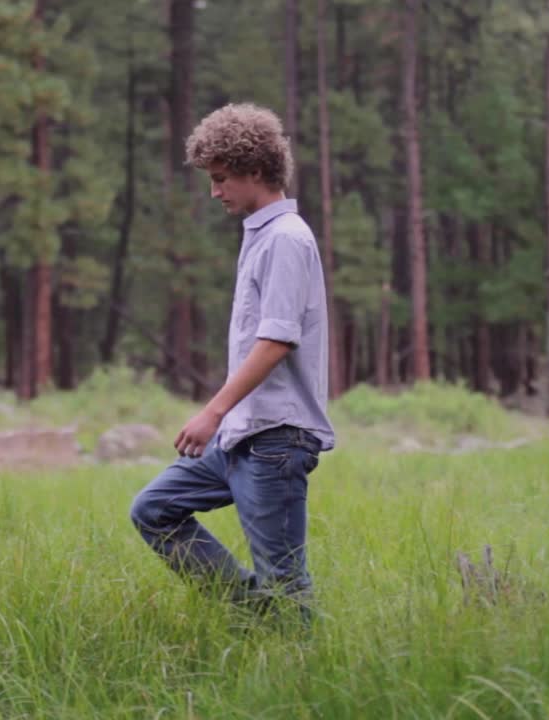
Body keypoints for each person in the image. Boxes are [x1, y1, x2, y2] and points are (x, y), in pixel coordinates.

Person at [129, 103, 335, 620]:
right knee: (154, 510)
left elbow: (276, 341)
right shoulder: (262, 236)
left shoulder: (287, 240)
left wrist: (212, 412)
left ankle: (297, 668)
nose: (215, 191)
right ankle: (254, 616)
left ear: (257, 171)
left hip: (275, 439)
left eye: (221, 179)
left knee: (285, 581)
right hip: (245, 435)